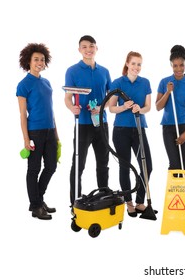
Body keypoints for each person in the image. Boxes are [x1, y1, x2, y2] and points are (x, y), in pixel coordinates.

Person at [64, 35, 111, 205]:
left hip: (102, 124)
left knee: (103, 164)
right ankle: (75, 202)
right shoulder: (72, 71)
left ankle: (105, 198)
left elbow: (111, 98)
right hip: (82, 124)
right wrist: (72, 108)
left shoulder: (104, 71)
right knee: (78, 164)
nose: (88, 49)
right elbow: (67, 97)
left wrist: (101, 107)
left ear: (96, 48)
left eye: (91, 46)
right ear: (79, 50)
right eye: (84, 47)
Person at [17, 43, 58, 220]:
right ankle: (36, 206)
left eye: (42, 59)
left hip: (50, 131)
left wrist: (57, 133)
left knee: (51, 166)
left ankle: (38, 200)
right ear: (28, 61)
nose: (39, 62)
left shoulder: (46, 82)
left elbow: (51, 109)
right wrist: (26, 139)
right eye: (36, 59)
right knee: (34, 169)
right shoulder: (24, 85)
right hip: (35, 132)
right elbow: (22, 114)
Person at [108, 51, 153, 217]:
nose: (136, 67)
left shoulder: (145, 82)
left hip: (139, 128)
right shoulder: (117, 83)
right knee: (125, 166)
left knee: (147, 165)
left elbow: (148, 107)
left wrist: (140, 109)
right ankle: (129, 202)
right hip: (121, 130)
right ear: (127, 63)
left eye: (139, 64)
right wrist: (124, 107)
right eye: (133, 63)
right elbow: (111, 108)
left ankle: (140, 201)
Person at [156, 45, 185, 170]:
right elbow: (158, 107)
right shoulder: (164, 82)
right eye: (175, 65)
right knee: (174, 164)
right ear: (171, 65)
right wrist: (168, 92)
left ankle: (184, 190)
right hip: (169, 127)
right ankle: (174, 190)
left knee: (184, 163)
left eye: (181, 65)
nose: (179, 69)